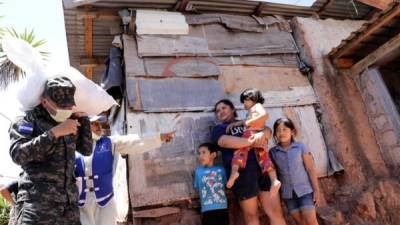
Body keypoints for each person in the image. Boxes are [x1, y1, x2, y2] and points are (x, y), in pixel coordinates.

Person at [9, 76, 93, 225]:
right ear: (45, 101)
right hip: (38, 207)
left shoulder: (70, 121)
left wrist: (84, 121)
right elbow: (18, 154)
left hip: (68, 208)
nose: (66, 110)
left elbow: (86, 150)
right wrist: (54, 133)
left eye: (69, 106)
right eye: (61, 106)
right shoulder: (28, 121)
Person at [75, 115, 175, 225]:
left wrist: (158, 137)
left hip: (105, 203)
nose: (99, 126)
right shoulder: (72, 146)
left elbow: (133, 141)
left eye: (99, 123)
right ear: (83, 126)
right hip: (80, 206)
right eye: (94, 124)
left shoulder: (109, 143)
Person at [212, 99, 286, 225]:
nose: (221, 112)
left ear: (233, 109)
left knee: (274, 211)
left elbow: (267, 131)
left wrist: (261, 134)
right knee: (251, 216)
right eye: (217, 111)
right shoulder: (219, 128)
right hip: (242, 174)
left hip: (263, 168)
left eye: (224, 108)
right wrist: (253, 140)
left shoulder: (248, 122)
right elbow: (224, 142)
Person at [225, 89, 281, 193]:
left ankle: (234, 172)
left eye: (246, 100)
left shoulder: (257, 106)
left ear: (253, 99)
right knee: (264, 158)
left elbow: (264, 116)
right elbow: (246, 121)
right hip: (259, 136)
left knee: (239, 153)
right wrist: (236, 124)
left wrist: (250, 122)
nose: (244, 104)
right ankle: (274, 180)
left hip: (251, 134)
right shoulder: (251, 110)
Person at [269, 118, 320, 225]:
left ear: (292, 132)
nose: (281, 133)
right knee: (300, 222)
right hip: (287, 194)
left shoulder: (301, 147)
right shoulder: (273, 152)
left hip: (305, 191)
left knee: (311, 221)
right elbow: (273, 172)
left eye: (284, 129)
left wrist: (316, 190)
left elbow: (310, 169)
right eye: (278, 130)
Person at [194, 143, 229, 225]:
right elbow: (198, 187)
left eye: (203, 152)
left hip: (222, 208)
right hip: (207, 209)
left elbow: (225, 185)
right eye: (199, 153)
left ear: (213, 155)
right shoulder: (198, 172)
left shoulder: (221, 170)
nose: (200, 156)